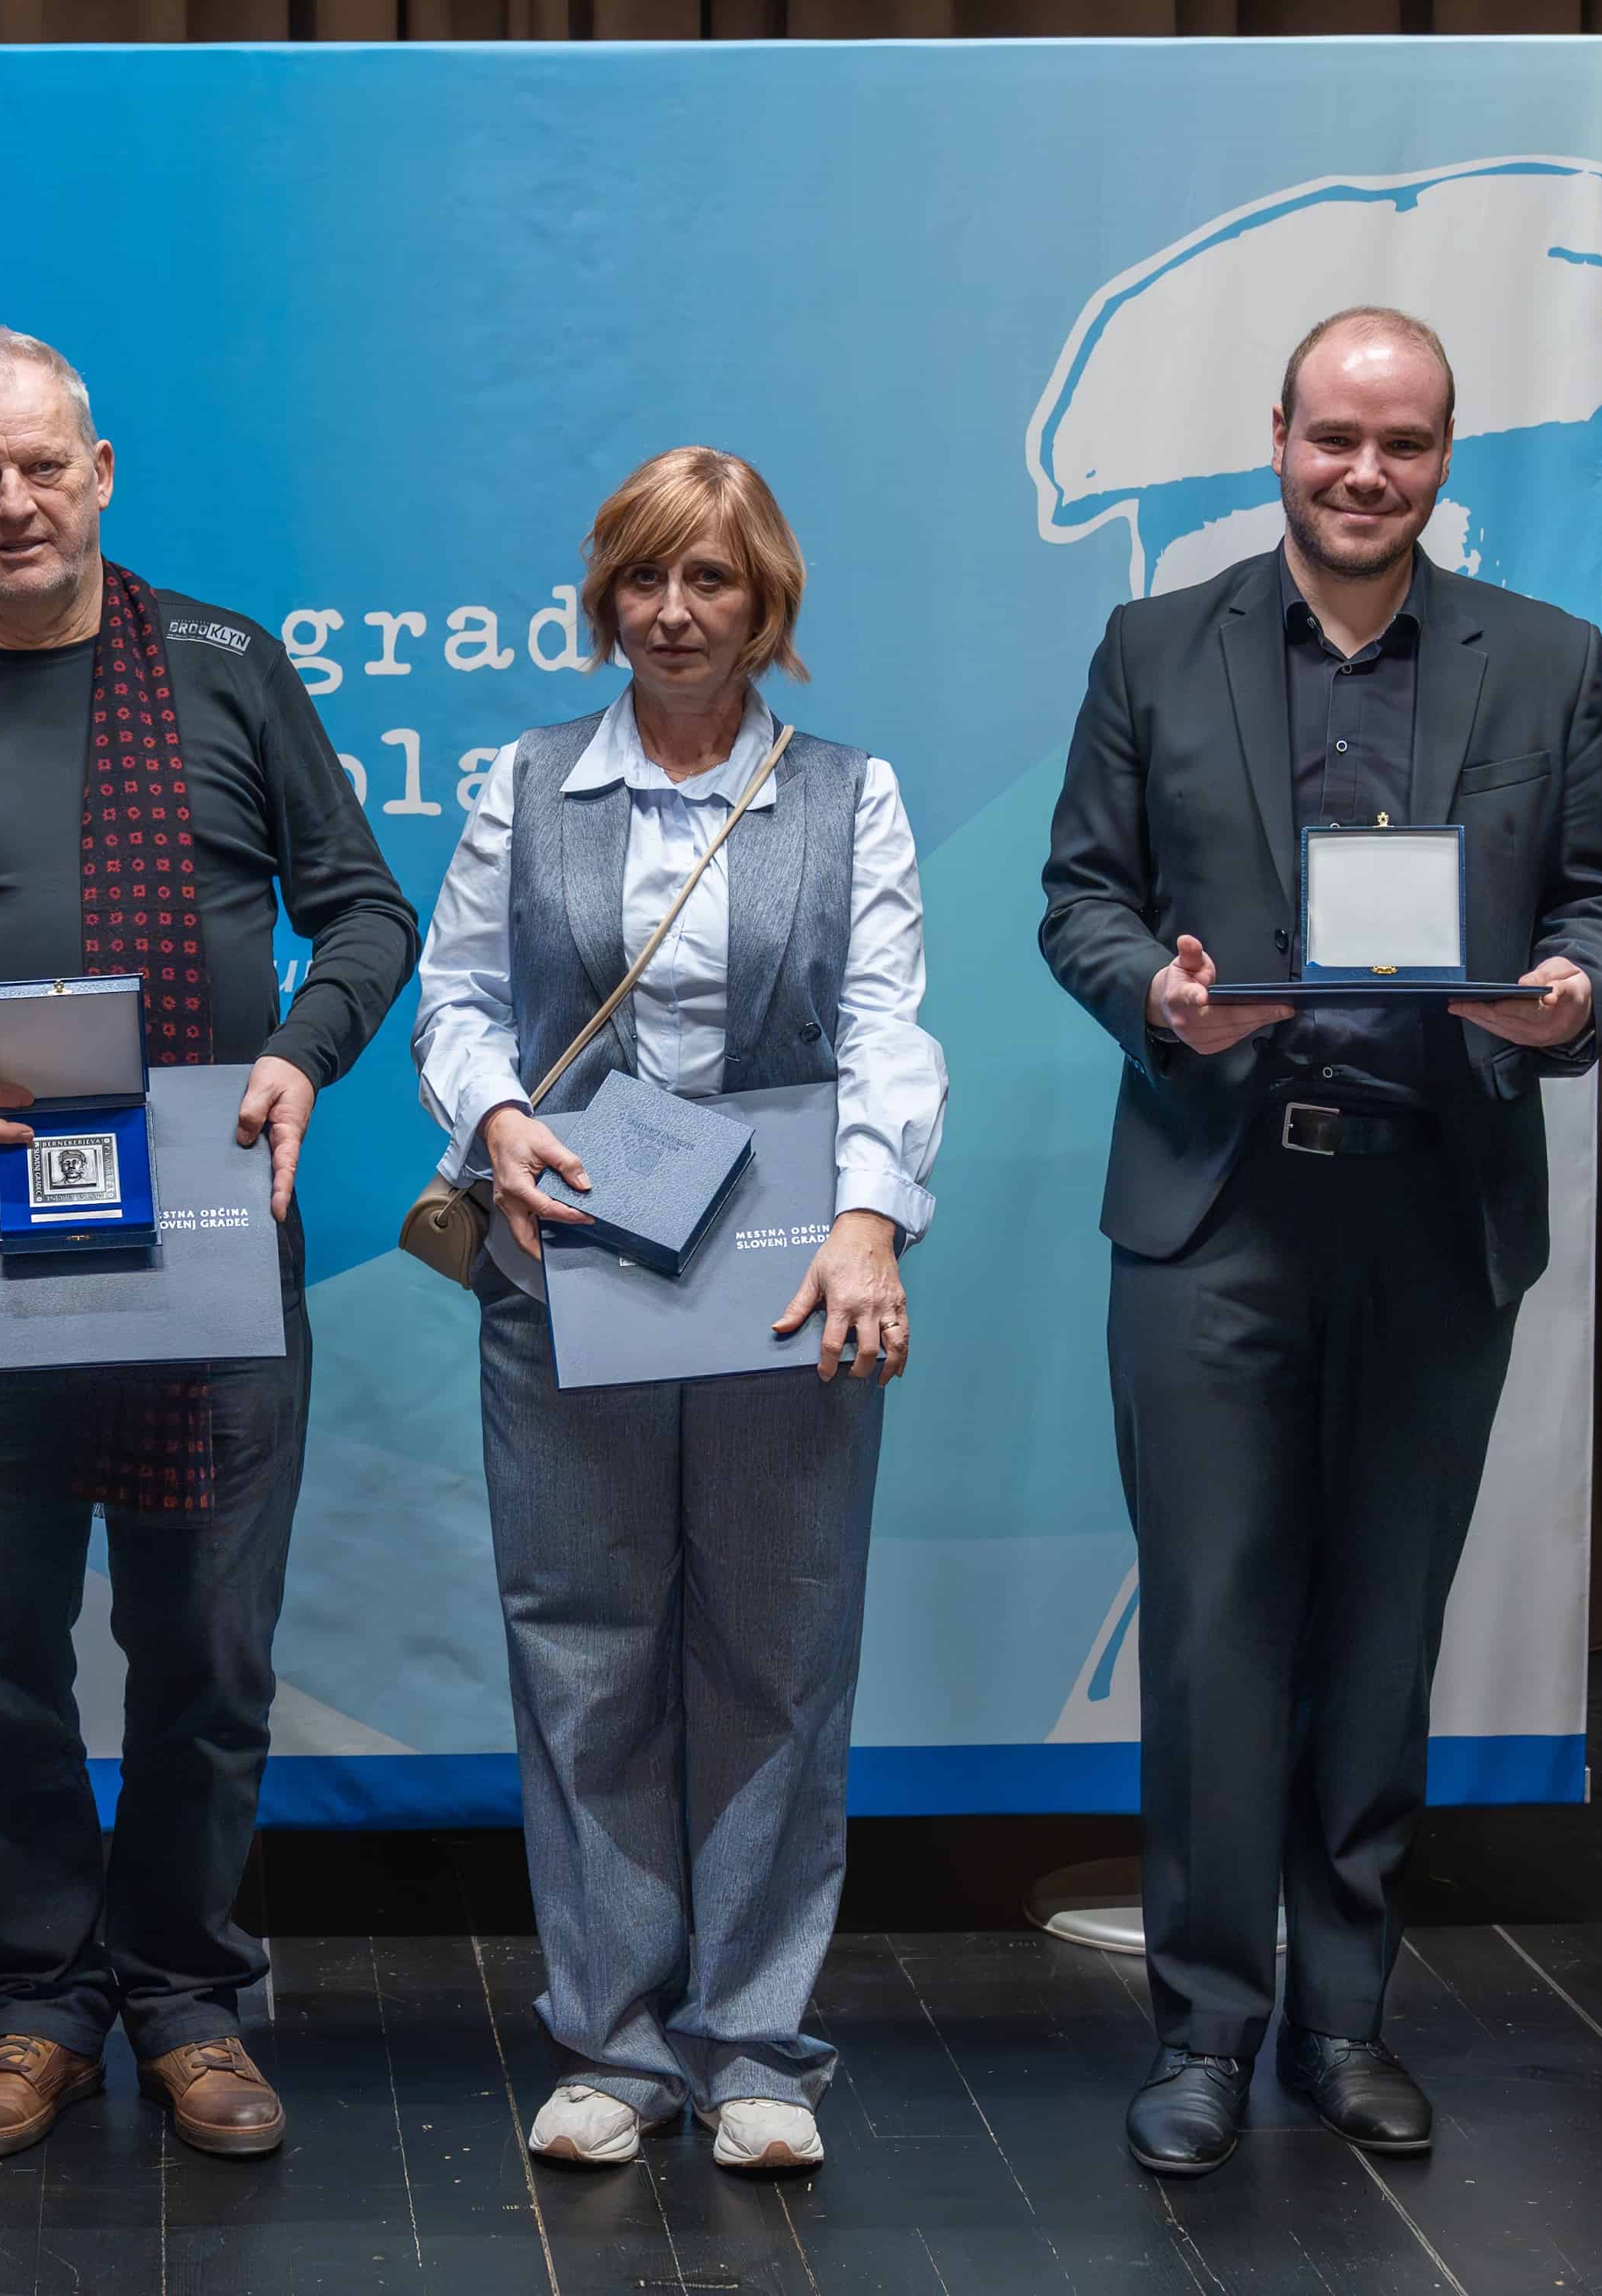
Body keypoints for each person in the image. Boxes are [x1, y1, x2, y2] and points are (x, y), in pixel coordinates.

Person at [0, 328, 418, 2162]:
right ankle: (40, 1997)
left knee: (205, 1647)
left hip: (206, 1231)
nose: (15, 499)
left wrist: (297, 1053)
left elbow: (360, 907)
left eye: (43, 464)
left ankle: (191, 1993)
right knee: (1, 1656)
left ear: (102, 470)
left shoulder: (225, 669)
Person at [1038, 306, 1602, 2177]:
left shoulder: (1544, 662)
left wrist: (1573, 999)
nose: (1364, 473)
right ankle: (1204, 2031)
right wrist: (1159, 992)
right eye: (1332, 439)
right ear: (1276, 437)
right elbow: (1080, 895)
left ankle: (1345, 2019)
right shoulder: (1158, 643)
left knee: (1381, 1640)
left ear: (1446, 456)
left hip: (1432, 1207)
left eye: (1403, 443)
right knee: (1217, 1637)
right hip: (1217, 1206)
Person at [412, 448, 944, 2176]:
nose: (673, 611)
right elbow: (454, 997)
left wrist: (872, 1216)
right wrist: (493, 1118)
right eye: (644, 578)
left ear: (764, 599)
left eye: (709, 579)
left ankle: (757, 2044)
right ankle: (613, 2042)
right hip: (569, 1269)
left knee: (778, 1652)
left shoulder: (848, 793)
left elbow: (886, 1024)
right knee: (584, 1647)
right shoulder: (529, 779)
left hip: (788, 1277)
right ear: (603, 599)